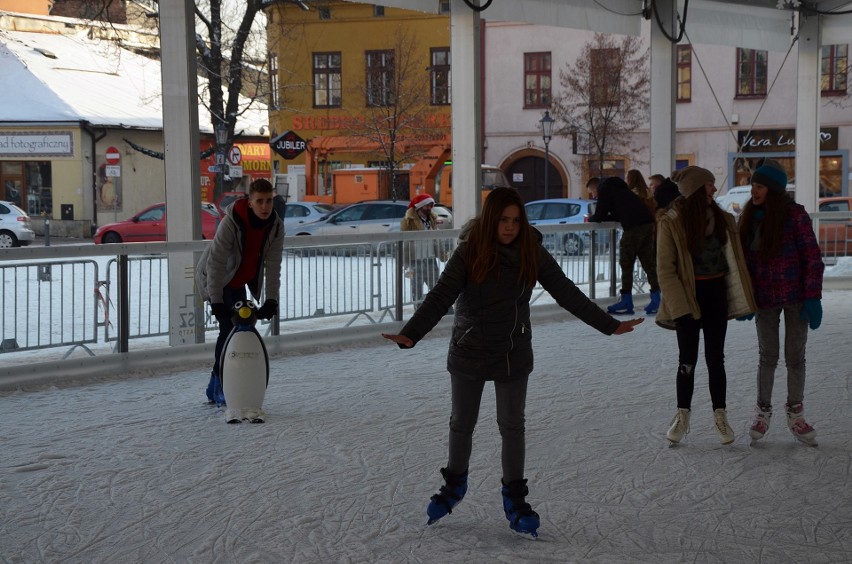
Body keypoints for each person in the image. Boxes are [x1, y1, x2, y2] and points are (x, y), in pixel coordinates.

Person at [381, 187, 643, 538]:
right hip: (469, 347)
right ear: (491, 220)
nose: (509, 227)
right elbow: (441, 294)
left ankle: (515, 498)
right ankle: (454, 485)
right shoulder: (470, 251)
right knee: (462, 422)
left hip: (512, 349)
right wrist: (411, 334)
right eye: (503, 220)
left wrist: (609, 325)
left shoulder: (530, 251)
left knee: (512, 426)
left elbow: (565, 291)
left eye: (516, 220)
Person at [655, 166, 756, 445]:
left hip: (716, 295)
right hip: (687, 298)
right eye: (710, 184)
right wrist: (680, 307)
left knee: (716, 359)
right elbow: (665, 270)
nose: (714, 189)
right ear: (697, 190)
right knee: (687, 360)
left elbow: (736, 259)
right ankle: (682, 415)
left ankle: (720, 415)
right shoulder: (672, 222)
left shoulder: (724, 220)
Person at [737, 163, 824, 446]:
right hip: (765, 300)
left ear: (772, 190)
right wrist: (744, 298)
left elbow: (812, 257)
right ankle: (763, 411)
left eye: (759, 186)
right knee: (768, 356)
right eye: (753, 186)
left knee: (795, 357)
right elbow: (743, 264)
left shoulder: (795, 216)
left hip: (797, 298)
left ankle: (795, 412)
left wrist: (813, 297)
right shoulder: (749, 218)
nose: (753, 191)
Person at [195, 178, 285, 405]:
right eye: (259, 201)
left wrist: (271, 300)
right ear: (250, 201)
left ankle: (221, 384)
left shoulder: (275, 226)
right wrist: (216, 301)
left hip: (239, 282)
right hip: (219, 279)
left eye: (269, 201)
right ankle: (218, 386)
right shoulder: (232, 222)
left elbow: (273, 266)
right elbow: (215, 263)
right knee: (228, 329)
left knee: (242, 328)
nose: (265, 207)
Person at [588, 177, 661, 315]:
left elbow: (599, 215)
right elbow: (617, 215)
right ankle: (657, 299)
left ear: (596, 188)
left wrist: (590, 218)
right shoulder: (620, 189)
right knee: (648, 263)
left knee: (626, 262)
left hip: (634, 227)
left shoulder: (604, 190)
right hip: (647, 223)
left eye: (592, 192)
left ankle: (626, 301)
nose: (593, 196)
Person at [400, 194, 442, 307]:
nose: (429, 208)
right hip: (416, 260)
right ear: (419, 207)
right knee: (417, 290)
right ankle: (418, 313)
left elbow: (436, 238)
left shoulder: (432, 219)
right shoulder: (408, 221)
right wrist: (406, 261)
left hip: (430, 259)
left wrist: (441, 253)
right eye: (427, 206)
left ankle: (442, 311)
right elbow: (405, 241)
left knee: (437, 288)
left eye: (431, 206)